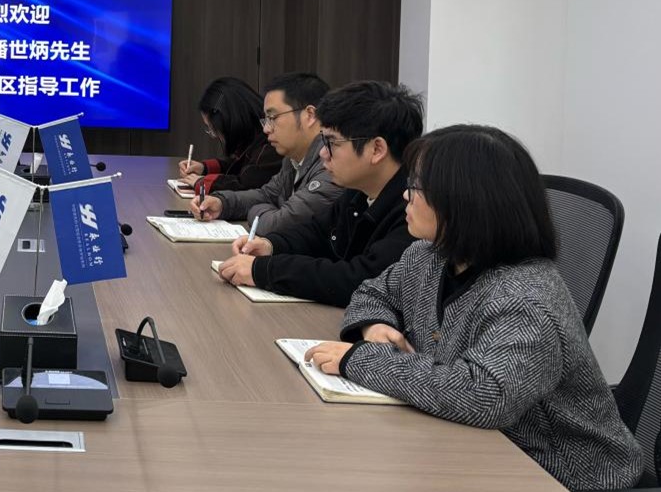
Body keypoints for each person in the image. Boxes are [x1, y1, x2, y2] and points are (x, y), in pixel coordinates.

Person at [305, 125, 644, 490]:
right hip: (476, 445)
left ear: (463, 202)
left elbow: (483, 396)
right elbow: (373, 292)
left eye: (416, 186)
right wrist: (374, 326)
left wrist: (359, 359)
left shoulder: (526, 298)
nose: (405, 195)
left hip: (561, 473)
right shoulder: (428, 256)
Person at [214, 80, 423, 307]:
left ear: (377, 149)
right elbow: (316, 232)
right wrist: (270, 245)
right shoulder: (358, 193)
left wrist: (263, 271)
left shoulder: (416, 209)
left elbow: (359, 279)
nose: (323, 153)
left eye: (332, 142)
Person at [192, 72, 340, 233]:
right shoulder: (293, 158)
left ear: (310, 115)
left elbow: (279, 224)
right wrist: (221, 203)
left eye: (273, 117)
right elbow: (266, 195)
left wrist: (260, 210)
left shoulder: (332, 165)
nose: (266, 129)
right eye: (266, 119)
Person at [177, 77, 282, 194]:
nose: (214, 136)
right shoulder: (251, 134)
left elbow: (246, 185)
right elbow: (237, 166)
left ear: (230, 121)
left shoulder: (271, 143)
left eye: (214, 129)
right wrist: (204, 168)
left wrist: (203, 183)